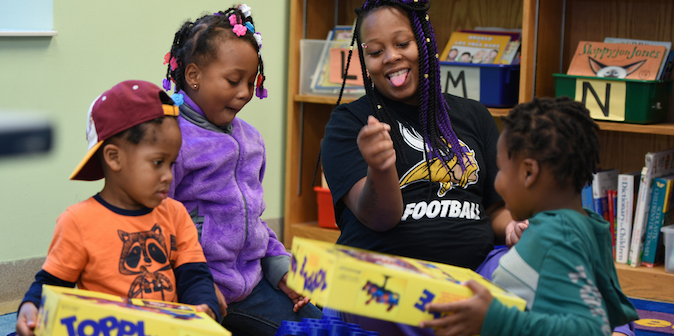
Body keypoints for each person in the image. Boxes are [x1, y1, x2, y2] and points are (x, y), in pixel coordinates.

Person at [320, 0, 523, 333]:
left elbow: (494, 209)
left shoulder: (475, 116)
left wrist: (513, 227)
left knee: (546, 261)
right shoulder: (349, 123)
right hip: (387, 277)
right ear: (366, 62)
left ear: (425, 42)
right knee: (401, 305)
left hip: (474, 274)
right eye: (375, 51)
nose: (391, 57)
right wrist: (381, 168)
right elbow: (378, 218)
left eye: (402, 43)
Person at [162, 4, 322, 335]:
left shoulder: (250, 140)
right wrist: (196, 287)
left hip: (250, 287)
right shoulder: (169, 137)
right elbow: (156, 226)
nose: (244, 93)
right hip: (190, 290)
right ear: (193, 76)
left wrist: (280, 269)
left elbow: (252, 220)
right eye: (234, 81)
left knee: (319, 327)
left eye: (251, 82)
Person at [15, 80, 220, 336]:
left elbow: (194, 275)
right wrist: (31, 306)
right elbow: (51, 284)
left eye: (171, 163)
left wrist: (205, 307)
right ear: (114, 158)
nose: (168, 175)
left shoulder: (176, 214)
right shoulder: (78, 222)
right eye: (157, 162)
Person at [420, 97, 639, 336]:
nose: (497, 181)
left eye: (501, 169)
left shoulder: (555, 236)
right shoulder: (588, 224)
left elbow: (591, 329)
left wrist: (496, 319)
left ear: (528, 172)